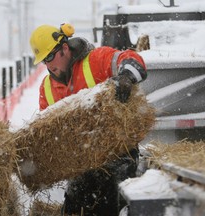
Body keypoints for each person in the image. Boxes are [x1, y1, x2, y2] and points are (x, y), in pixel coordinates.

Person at [29, 23, 147, 216]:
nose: (49, 65)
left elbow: (132, 59)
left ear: (64, 48)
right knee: (74, 209)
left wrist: (126, 76)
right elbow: (47, 130)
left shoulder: (95, 61)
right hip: (83, 163)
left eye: (50, 56)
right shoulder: (47, 88)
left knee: (111, 203)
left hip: (118, 153)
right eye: (44, 61)